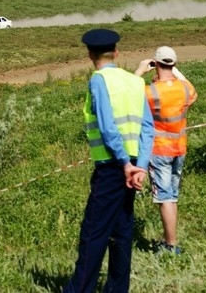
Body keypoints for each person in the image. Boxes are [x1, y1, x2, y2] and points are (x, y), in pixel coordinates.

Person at [64, 29, 154, 293]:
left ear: (90, 55)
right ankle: (117, 288)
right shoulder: (136, 82)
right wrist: (141, 166)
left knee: (93, 233)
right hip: (134, 165)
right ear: (116, 53)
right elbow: (148, 128)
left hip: (113, 167)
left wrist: (125, 163)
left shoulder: (99, 79)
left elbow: (107, 126)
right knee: (122, 230)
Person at [134, 46, 197, 256]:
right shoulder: (185, 89)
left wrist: (140, 71)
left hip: (160, 150)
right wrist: (174, 71)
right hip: (180, 148)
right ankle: (170, 239)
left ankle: (171, 245)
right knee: (172, 195)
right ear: (174, 64)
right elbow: (191, 90)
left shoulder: (150, 91)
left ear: (156, 64)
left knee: (164, 197)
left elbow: (127, 96)